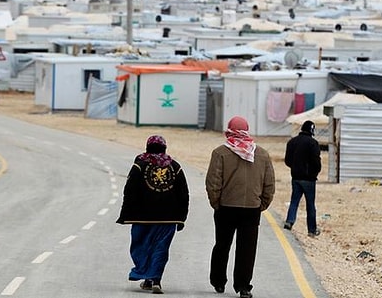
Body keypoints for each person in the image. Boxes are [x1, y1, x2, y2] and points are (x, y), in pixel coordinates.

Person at [205, 116, 275, 298]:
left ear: (229, 131)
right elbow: (269, 185)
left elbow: (213, 182)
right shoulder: (261, 154)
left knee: (222, 245)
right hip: (251, 209)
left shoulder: (220, 153)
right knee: (247, 249)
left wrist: (216, 203)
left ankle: (218, 282)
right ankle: (243, 286)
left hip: (226, 207)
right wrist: (261, 204)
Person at [116, 135, 189, 295]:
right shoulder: (175, 167)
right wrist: (182, 217)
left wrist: (125, 213)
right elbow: (184, 193)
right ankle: (155, 279)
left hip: (142, 217)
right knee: (160, 248)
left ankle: (145, 274)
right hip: (168, 217)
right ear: (164, 148)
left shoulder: (140, 164)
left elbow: (130, 190)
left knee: (141, 246)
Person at [283, 120, 322, 237]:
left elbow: (287, 161)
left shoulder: (292, 142)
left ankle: (289, 221)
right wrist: (314, 172)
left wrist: (295, 168)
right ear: (312, 130)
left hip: (295, 177)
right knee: (310, 205)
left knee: (294, 201)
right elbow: (316, 162)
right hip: (309, 179)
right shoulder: (313, 143)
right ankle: (311, 230)